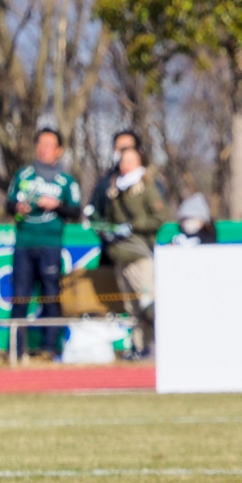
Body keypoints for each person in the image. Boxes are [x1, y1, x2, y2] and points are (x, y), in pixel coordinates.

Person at [5, 128, 82, 359]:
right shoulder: (23, 175)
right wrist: (17, 208)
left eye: (50, 144)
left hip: (50, 244)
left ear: (58, 150)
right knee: (20, 297)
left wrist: (57, 205)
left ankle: (50, 348)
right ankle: (16, 351)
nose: (44, 148)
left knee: (51, 296)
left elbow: (76, 211)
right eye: (41, 143)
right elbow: (8, 204)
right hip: (24, 243)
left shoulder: (66, 180)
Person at [101, 145, 169, 358]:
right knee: (131, 308)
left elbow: (160, 218)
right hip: (120, 255)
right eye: (123, 161)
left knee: (148, 303)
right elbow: (109, 219)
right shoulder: (114, 189)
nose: (126, 165)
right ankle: (138, 347)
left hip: (140, 255)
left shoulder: (147, 187)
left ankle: (157, 346)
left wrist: (134, 225)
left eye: (131, 161)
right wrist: (108, 230)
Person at [89, 128, 142, 222]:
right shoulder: (106, 183)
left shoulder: (149, 181)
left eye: (127, 148)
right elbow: (94, 213)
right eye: (119, 148)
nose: (122, 153)